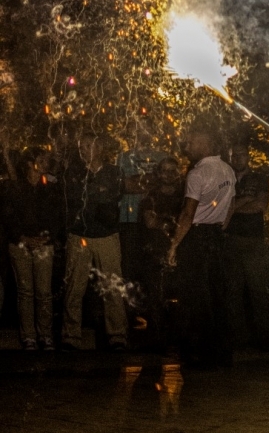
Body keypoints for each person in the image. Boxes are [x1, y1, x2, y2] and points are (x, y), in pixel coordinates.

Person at [167, 121, 236, 369]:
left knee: (195, 297)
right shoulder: (228, 170)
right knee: (218, 294)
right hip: (216, 236)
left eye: (192, 142)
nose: (188, 146)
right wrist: (220, 227)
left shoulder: (197, 173)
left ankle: (198, 353)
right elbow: (231, 207)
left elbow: (188, 213)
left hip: (196, 237)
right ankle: (222, 353)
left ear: (205, 143)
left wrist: (175, 244)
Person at [62, 132, 128, 351]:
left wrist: (92, 195)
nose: (83, 150)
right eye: (81, 146)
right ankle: (71, 335)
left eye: (87, 146)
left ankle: (117, 334)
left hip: (106, 235)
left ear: (99, 148)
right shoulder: (74, 172)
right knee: (74, 287)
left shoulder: (114, 172)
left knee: (112, 285)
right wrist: (96, 194)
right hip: (79, 235)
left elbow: (111, 198)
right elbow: (74, 198)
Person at [3, 148, 62, 351]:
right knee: (26, 291)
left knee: (44, 291)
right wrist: (23, 237)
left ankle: (45, 334)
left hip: (43, 244)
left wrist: (47, 238)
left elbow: (56, 216)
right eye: (41, 159)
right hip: (20, 243)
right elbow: (9, 215)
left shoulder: (49, 187)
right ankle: (28, 336)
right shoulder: (16, 187)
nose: (46, 162)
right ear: (30, 163)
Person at [224, 145, 269, 351]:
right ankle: (239, 339)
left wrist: (233, 206)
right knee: (233, 291)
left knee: (257, 289)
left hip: (253, 240)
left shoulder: (260, 179)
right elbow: (220, 206)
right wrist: (244, 200)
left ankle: (263, 339)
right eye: (234, 155)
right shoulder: (225, 179)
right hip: (230, 240)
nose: (238, 158)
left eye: (241, 154)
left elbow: (260, 206)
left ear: (248, 157)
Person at [138, 155, 184, 347]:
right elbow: (150, 222)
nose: (168, 175)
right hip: (155, 251)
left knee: (180, 297)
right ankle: (157, 339)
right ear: (158, 173)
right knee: (156, 297)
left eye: (172, 170)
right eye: (164, 170)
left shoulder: (184, 196)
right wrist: (170, 222)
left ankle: (178, 338)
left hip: (179, 250)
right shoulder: (151, 196)